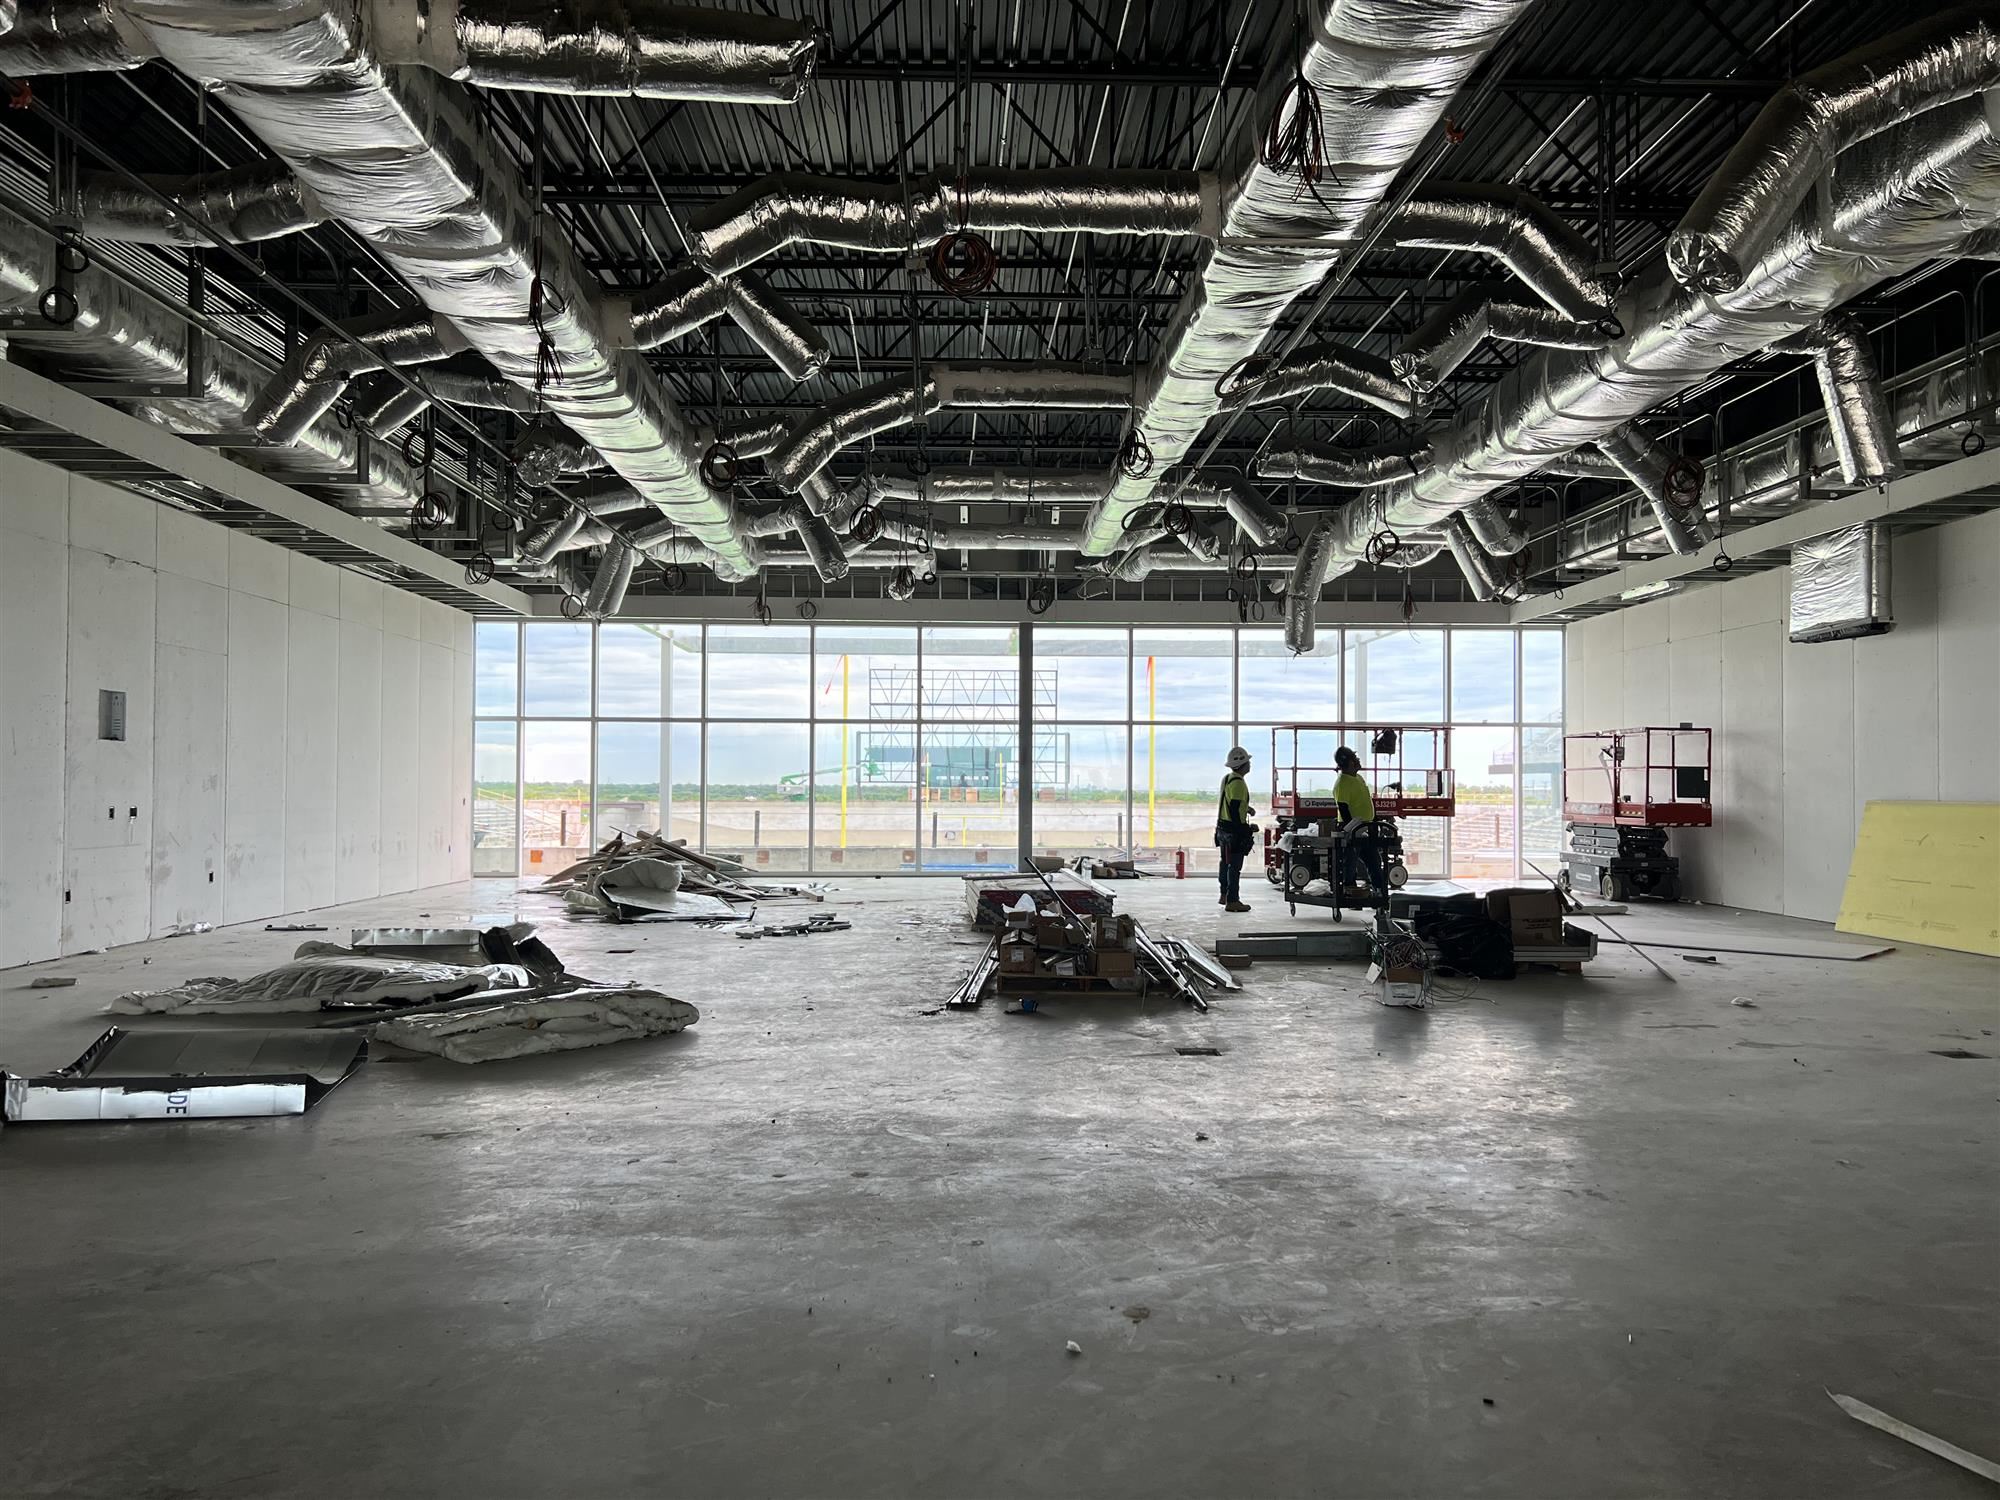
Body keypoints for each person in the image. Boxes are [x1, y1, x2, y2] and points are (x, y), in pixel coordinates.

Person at [1331, 745, 1382, 897]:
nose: (1358, 760)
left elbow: (1366, 802)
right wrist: (1352, 830)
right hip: (1352, 828)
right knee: (1350, 863)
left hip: (1366, 827)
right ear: (1350, 763)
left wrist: (1374, 822)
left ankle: (1379, 891)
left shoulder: (1357, 778)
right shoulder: (1343, 782)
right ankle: (1349, 891)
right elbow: (1343, 808)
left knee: (1374, 860)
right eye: (1355, 758)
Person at [1215, 745, 1257, 913]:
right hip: (1233, 830)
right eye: (1248, 762)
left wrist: (1247, 809)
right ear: (1243, 765)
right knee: (1235, 866)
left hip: (1223, 828)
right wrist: (1245, 829)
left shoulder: (1227, 778)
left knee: (1225, 863)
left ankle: (1224, 894)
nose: (1250, 765)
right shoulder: (1239, 784)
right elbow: (1234, 809)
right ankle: (1233, 900)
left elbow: (1232, 802)